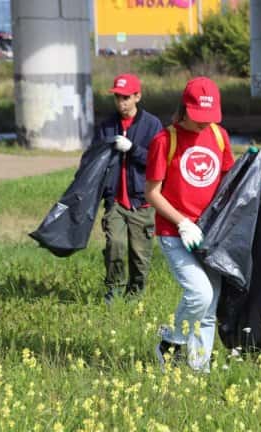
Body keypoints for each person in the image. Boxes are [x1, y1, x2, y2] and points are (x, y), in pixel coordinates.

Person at [145, 77, 235, 372]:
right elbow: (152, 193)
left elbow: (229, 182)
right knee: (200, 293)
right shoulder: (164, 141)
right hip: (175, 233)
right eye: (198, 118)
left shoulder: (219, 137)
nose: (203, 124)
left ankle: (200, 369)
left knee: (210, 308)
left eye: (209, 118)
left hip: (211, 236)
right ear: (184, 109)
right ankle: (170, 344)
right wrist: (183, 222)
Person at [98, 73, 163, 303]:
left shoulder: (152, 124)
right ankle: (113, 292)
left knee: (139, 255)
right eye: (117, 97)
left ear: (138, 96)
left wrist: (132, 148)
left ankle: (135, 297)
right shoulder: (106, 125)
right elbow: (97, 161)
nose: (121, 103)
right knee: (114, 244)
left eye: (126, 97)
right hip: (115, 200)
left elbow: (157, 161)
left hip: (141, 202)